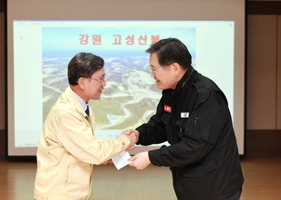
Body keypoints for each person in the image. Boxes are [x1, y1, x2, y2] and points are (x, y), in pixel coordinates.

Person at [128, 38, 244, 200]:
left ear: (174, 68)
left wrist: (150, 157)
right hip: (188, 184)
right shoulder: (171, 92)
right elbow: (161, 124)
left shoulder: (206, 95)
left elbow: (195, 146)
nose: (151, 74)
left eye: (154, 69)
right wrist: (138, 135)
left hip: (215, 188)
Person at [34, 52, 137, 200]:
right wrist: (126, 139)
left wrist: (106, 154)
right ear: (82, 82)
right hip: (59, 195)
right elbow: (95, 152)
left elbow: (83, 148)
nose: (104, 84)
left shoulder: (81, 106)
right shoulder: (67, 113)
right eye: (100, 79)